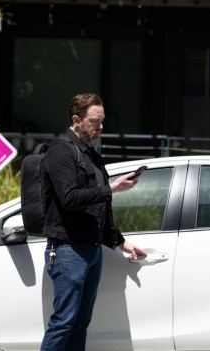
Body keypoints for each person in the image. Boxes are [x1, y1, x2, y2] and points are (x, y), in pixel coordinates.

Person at [40, 92, 147, 350]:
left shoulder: (91, 155)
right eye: (94, 121)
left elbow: (98, 209)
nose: (101, 127)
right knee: (64, 321)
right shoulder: (60, 151)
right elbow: (69, 198)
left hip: (91, 249)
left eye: (102, 121)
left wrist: (120, 242)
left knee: (80, 322)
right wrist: (112, 189)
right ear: (76, 120)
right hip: (67, 249)